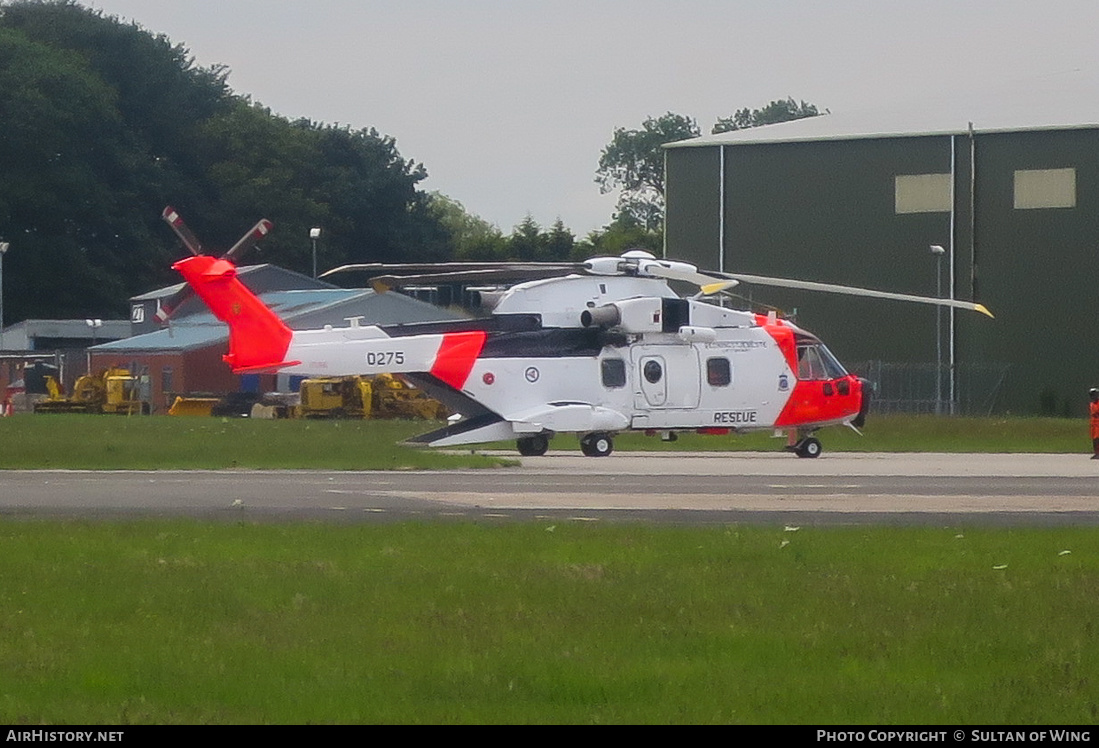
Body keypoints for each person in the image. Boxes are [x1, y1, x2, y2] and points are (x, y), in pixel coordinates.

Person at [1090, 388, 1099, 459]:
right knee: (1094, 439)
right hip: (1093, 423)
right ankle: (1096, 452)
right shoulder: (1091, 404)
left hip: (1098, 423)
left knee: (1097, 438)